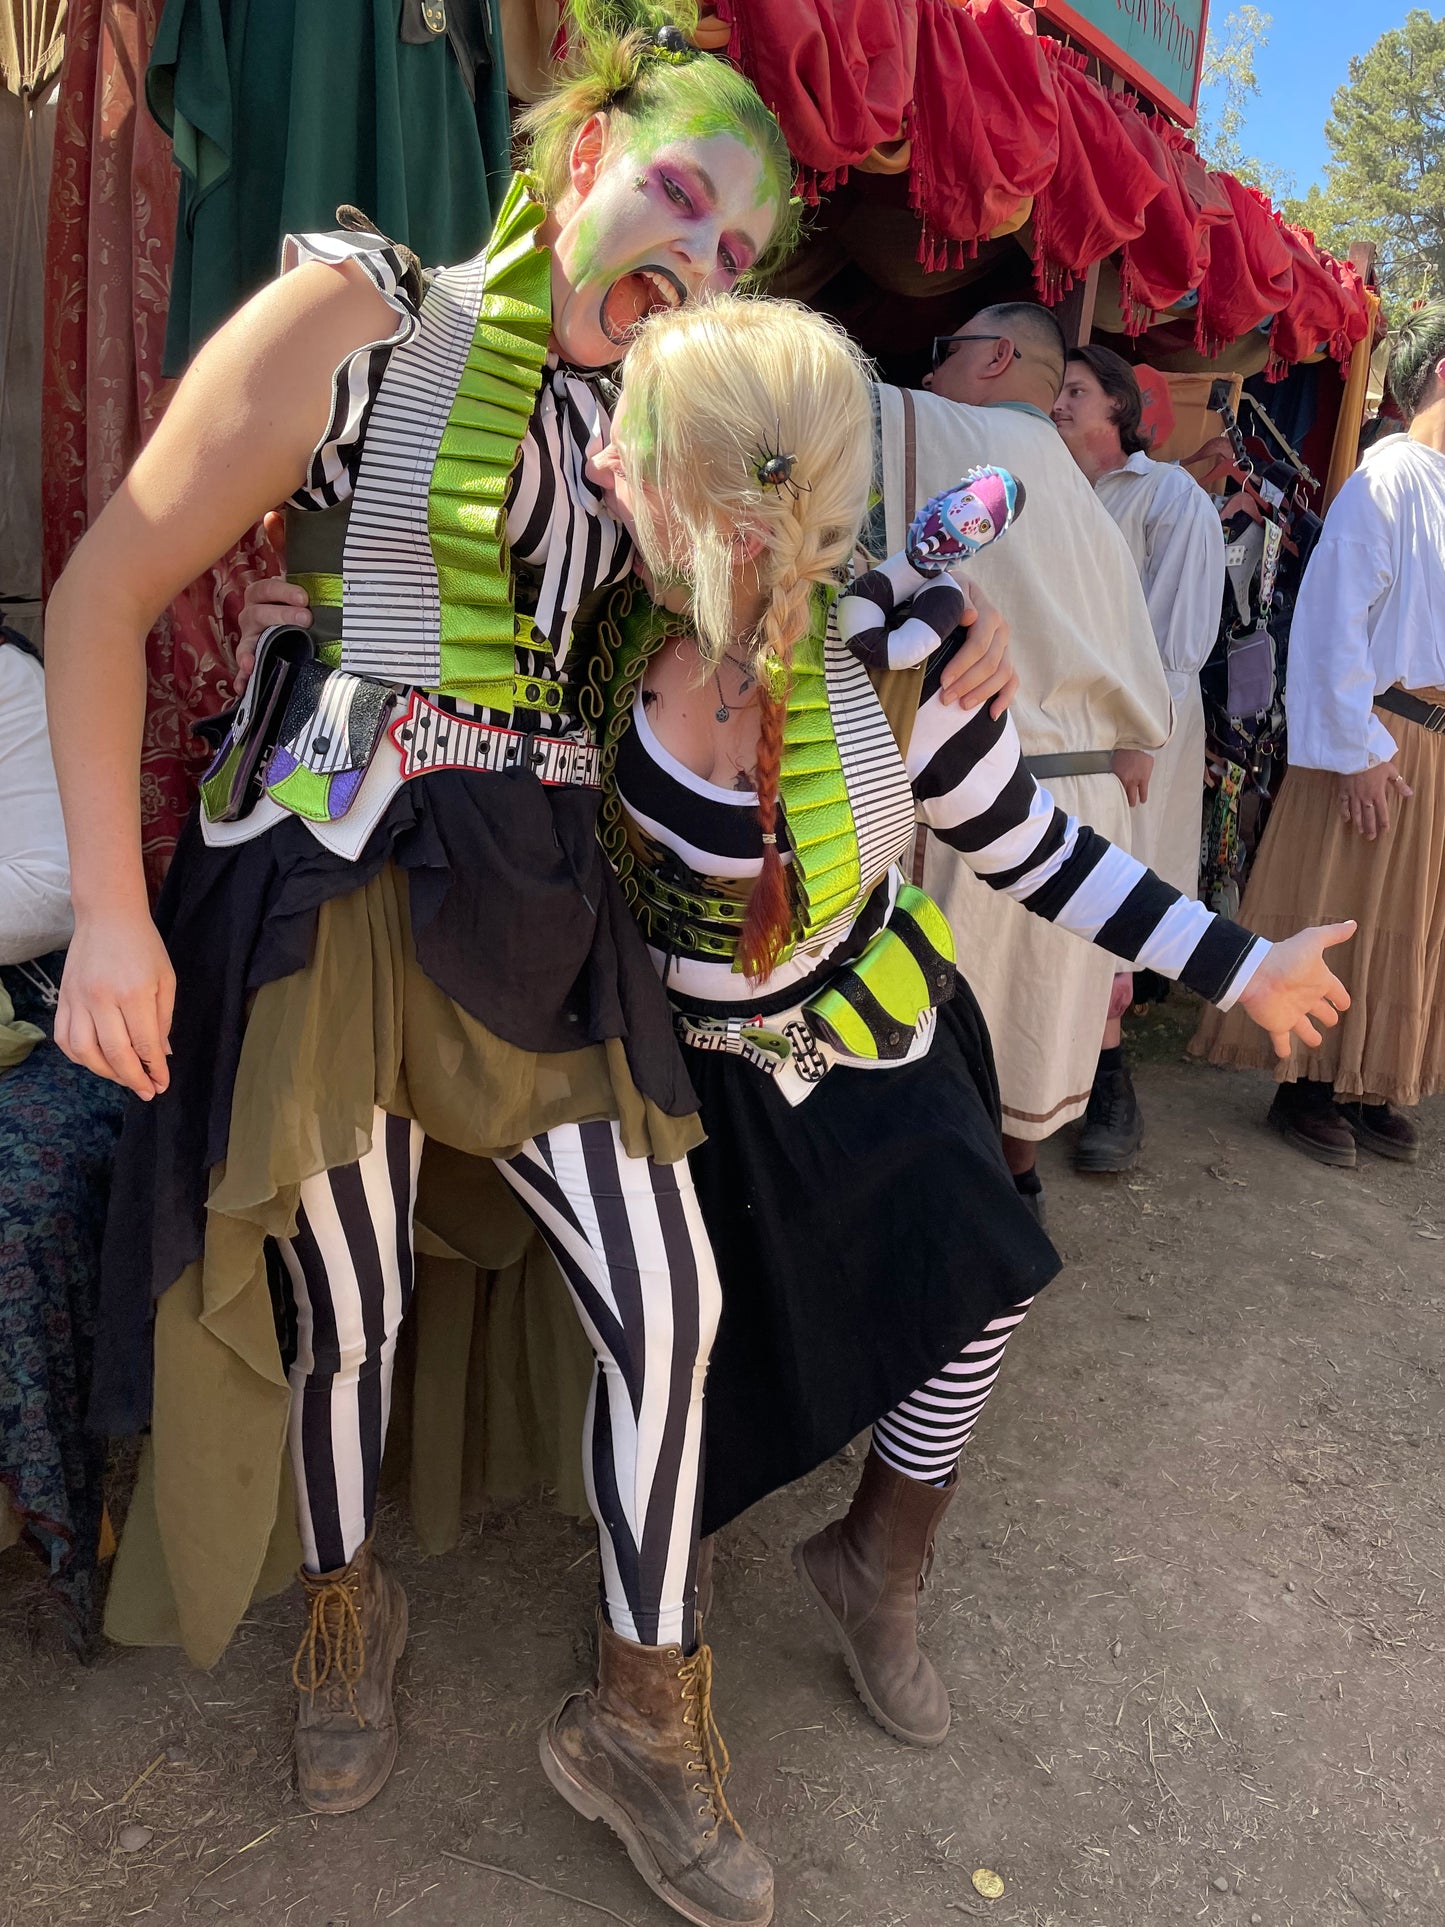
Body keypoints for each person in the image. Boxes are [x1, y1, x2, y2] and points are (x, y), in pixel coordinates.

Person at [43, 12, 796, 1921]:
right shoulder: (363, 311)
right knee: (353, 1293)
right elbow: (102, 591)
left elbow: (701, 717)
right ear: (572, 159)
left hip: (545, 879)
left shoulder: (648, 432)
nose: (703, 268)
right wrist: (117, 924)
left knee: (672, 1288)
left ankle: (642, 1708)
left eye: (737, 257)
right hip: (349, 864)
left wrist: (738, 591)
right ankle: (347, 1600)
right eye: (685, 201)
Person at [578, 297, 1351, 1749]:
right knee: (697, 1354)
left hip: (876, 1036)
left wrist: (1236, 962)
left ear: (730, 486)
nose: (602, 460)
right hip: (685, 1074)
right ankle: (644, 1611)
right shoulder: (606, 622)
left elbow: (1041, 850)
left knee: (984, 1280)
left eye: (636, 439)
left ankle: (877, 1559)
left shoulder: (901, 658)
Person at [873, 303, 1174, 1222]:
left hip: (997, 795)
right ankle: (1014, 1191)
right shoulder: (1090, 492)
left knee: (941, 1043)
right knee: (1029, 1041)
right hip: (1085, 794)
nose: (927, 374)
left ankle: (952, 1238)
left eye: (946, 353)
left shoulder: (948, 429)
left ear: (997, 356)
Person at [1192, 304, 1445, 1166]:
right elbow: (1332, 619)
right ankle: (1301, 1083)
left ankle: (1366, 1078)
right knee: (1340, 903)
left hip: (1432, 743)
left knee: (1402, 922)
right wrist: (1356, 747)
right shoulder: (1389, 478)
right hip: (1379, 731)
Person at [1052, 345, 1225, 1171]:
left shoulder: (1168, 496)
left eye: (1076, 391)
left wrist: (1134, 741)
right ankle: (1025, 1077)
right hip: (1053, 734)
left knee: (1109, 903)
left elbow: (1174, 645)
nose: (1058, 404)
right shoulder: (1043, 486)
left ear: (1119, 408)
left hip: (1129, 740)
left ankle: (1107, 1081)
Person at [1, 621, 128, 1645]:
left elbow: (50, 888)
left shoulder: (6, 680)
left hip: (42, 1015)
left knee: (17, 1198)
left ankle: (65, 1509)